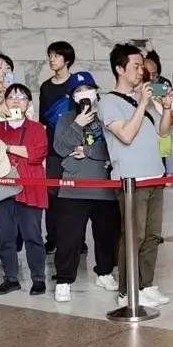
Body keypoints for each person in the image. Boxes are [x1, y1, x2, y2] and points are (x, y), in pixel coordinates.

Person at [97, 44, 173, 308]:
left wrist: (165, 108)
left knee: (152, 235)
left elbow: (163, 133)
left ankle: (146, 284)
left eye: (142, 66)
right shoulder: (108, 102)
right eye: (136, 66)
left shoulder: (143, 100)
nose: (142, 71)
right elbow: (126, 135)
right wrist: (142, 102)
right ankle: (127, 290)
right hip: (132, 180)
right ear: (120, 69)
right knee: (134, 235)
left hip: (155, 175)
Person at [0, 84, 48, 296]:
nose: (16, 100)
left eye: (22, 97)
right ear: (4, 101)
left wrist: (7, 148)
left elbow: (37, 153)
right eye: (11, 96)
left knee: (33, 235)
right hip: (0, 187)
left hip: (29, 187)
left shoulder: (36, 128)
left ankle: (38, 278)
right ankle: (11, 278)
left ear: (28, 104)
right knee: (5, 236)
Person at [51, 72, 121, 303]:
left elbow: (114, 147)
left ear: (95, 91)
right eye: (78, 91)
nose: (84, 94)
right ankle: (64, 280)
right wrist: (77, 125)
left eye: (88, 89)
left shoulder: (106, 115)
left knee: (106, 234)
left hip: (104, 185)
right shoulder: (66, 118)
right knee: (68, 237)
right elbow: (61, 148)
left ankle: (105, 272)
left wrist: (88, 151)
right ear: (72, 96)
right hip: (73, 187)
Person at [40, 41, 75, 254]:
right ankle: (52, 238)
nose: (52, 59)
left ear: (67, 59)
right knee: (51, 195)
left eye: (56, 56)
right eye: (50, 55)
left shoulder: (77, 84)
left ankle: (77, 239)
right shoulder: (46, 87)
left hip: (74, 149)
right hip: (52, 149)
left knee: (73, 196)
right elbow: (43, 120)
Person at [142, 50, 173, 175]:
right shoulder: (134, 92)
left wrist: (166, 109)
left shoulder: (161, 87)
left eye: (154, 75)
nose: (151, 78)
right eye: (147, 74)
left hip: (162, 141)